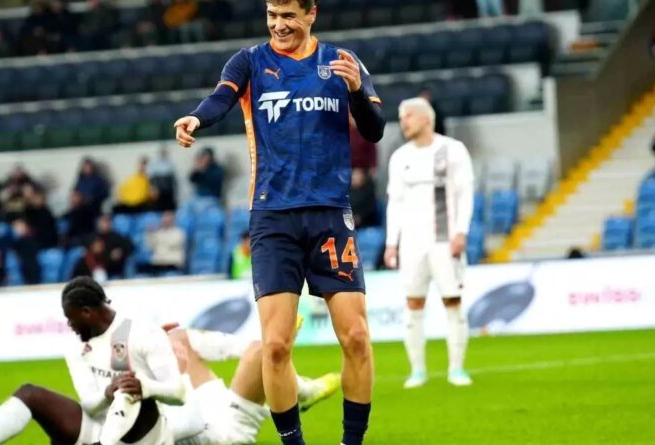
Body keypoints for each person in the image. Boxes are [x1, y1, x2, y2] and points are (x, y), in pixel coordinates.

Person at [173, 0, 385, 443]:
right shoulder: (249, 62)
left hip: (330, 214)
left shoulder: (342, 62)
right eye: (272, 15)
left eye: (288, 16)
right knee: (275, 345)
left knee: (356, 337)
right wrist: (196, 117)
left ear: (311, 14)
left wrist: (356, 92)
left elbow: (374, 129)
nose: (278, 25)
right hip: (273, 218)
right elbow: (221, 98)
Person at [0, 277, 187, 445]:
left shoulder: (142, 332)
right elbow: (89, 405)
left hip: (145, 436)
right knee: (30, 394)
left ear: (87, 312)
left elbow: (178, 393)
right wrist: (106, 393)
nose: (69, 325)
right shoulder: (75, 346)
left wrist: (144, 387)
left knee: (126, 389)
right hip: (99, 430)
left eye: (71, 318)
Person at [384, 98, 474, 389]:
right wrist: (391, 243)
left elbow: (465, 193)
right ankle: (417, 371)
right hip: (412, 243)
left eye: (408, 116)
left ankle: (456, 368)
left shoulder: (453, 150)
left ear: (426, 119)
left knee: (452, 300)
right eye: (401, 117)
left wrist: (461, 231)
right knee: (413, 303)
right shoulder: (399, 157)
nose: (403, 121)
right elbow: (395, 203)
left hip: (445, 240)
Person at [163, 322, 341, 444]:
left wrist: (157, 345)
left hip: (202, 403)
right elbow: (188, 427)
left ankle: (303, 388)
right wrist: (179, 374)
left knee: (176, 339)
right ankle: (306, 391)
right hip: (220, 432)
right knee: (266, 351)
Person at [12, 219, 42, 285]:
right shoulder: (14, 240)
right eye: (16, 227)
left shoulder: (30, 238)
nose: (18, 229)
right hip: (21, 267)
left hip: (31, 266)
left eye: (20, 226)